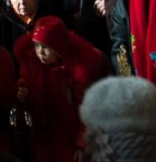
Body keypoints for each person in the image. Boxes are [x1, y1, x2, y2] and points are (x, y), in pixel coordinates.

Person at [13, 16, 110, 162]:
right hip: (43, 135)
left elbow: (86, 110)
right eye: (36, 45)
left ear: (58, 48)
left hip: (69, 137)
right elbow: (27, 83)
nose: (40, 52)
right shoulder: (32, 61)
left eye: (46, 47)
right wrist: (24, 90)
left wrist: (81, 145)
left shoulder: (77, 71)